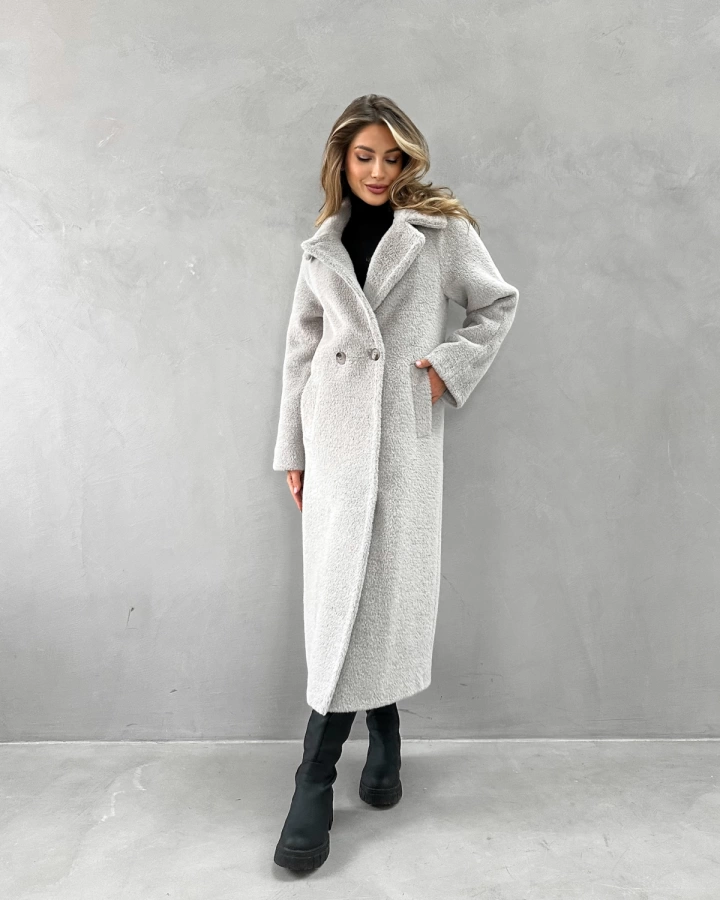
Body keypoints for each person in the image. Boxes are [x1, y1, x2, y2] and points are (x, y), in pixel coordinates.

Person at [272, 94, 519, 871]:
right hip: (334, 437)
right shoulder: (322, 244)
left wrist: (444, 370)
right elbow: (301, 349)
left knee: (376, 591)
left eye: (391, 157)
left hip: (401, 442)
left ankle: (320, 771)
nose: (378, 171)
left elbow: (496, 305)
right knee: (342, 597)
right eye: (364, 157)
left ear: (408, 158)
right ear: (341, 160)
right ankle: (370, 740)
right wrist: (292, 449)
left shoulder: (440, 232)